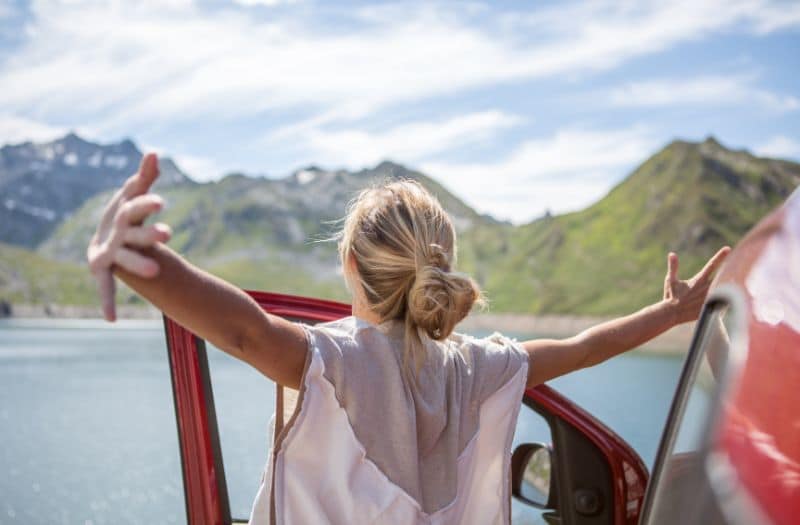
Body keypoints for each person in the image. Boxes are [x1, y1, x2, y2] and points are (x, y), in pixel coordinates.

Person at [87, 154, 730, 524]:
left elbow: (243, 331)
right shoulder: (479, 367)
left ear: (350, 265)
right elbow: (586, 347)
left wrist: (143, 260)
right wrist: (669, 315)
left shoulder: (333, 360)